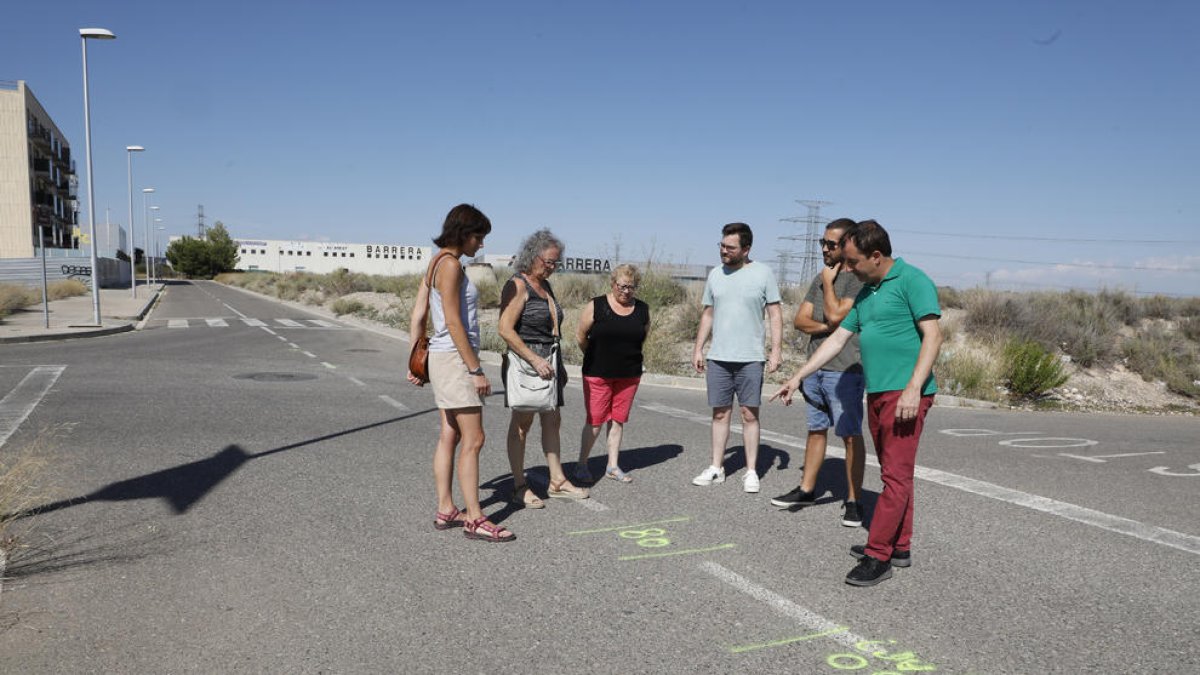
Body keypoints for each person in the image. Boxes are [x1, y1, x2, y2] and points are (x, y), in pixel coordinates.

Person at [771, 219, 942, 586]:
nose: (847, 269)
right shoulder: (868, 292)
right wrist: (798, 375)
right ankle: (900, 546)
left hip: (906, 394)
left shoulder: (914, 281)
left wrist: (914, 388)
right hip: (878, 391)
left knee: (894, 476)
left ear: (876, 256)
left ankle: (877, 554)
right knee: (897, 473)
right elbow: (836, 340)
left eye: (853, 262)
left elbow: (933, 337)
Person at [407, 204, 514, 542]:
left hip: (441, 357)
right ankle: (476, 519)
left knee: (449, 435)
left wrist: (415, 360)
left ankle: (446, 508)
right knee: (475, 438)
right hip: (455, 359)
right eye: (478, 237)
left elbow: (419, 314)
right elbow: (453, 322)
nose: (480, 244)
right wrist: (475, 369)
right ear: (463, 233)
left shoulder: (436, 261)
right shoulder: (450, 265)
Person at [770, 218, 867, 527]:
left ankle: (853, 500)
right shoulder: (820, 275)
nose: (824, 248)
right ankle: (807, 489)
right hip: (814, 367)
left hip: (845, 370)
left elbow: (840, 313)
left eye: (831, 244)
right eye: (822, 243)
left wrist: (828, 284)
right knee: (815, 428)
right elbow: (801, 319)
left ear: (848, 244)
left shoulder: (856, 279)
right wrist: (828, 326)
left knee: (850, 435)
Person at [691, 222, 783, 493]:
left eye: (730, 247)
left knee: (748, 414)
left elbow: (775, 314)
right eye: (721, 245)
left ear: (746, 249)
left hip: (751, 357)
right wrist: (698, 348)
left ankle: (752, 471)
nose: (723, 251)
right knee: (720, 413)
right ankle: (716, 467)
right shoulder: (716, 275)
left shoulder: (763, 273)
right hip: (719, 357)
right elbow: (708, 313)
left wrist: (776, 350)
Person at [499, 228, 589, 505]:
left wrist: (556, 364)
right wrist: (535, 359)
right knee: (522, 425)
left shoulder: (545, 285)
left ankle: (557, 480)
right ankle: (518, 485)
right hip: (528, 363)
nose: (552, 267)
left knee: (553, 420)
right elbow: (505, 329)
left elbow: (552, 326)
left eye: (556, 263)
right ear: (532, 256)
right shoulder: (517, 285)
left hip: (549, 361)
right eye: (548, 261)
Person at [574, 264, 651, 484]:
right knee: (595, 421)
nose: (626, 291)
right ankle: (582, 464)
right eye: (622, 286)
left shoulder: (643, 309)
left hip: (629, 375)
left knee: (618, 421)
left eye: (632, 287)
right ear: (613, 283)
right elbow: (581, 335)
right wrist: (594, 356)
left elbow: (642, 336)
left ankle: (613, 466)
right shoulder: (597, 305)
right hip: (597, 373)